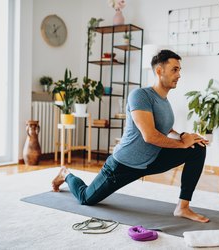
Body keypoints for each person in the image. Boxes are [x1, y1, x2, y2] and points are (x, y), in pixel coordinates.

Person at [52, 49, 209, 223]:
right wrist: (182, 144)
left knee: (198, 148)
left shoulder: (164, 102)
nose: (179, 74)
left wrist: (184, 136)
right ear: (159, 71)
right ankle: (65, 174)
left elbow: (166, 127)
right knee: (86, 198)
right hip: (123, 164)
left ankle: (183, 207)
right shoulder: (140, 96)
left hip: (152, 159)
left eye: (179, 70)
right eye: (174, 69)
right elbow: (150, 136)